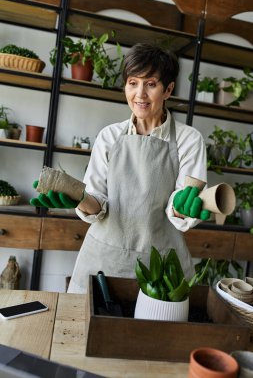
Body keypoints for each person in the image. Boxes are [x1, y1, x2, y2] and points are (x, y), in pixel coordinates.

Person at [31, 43, 210, 294]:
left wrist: (183, 206)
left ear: (168, 89)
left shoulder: (188, 139)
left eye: (151, 84)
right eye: (133, 83)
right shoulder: (109, 136)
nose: (140, 94)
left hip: (159, 269)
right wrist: (80, 199)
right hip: (104, 261)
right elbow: (99, 204)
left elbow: (181, 205)